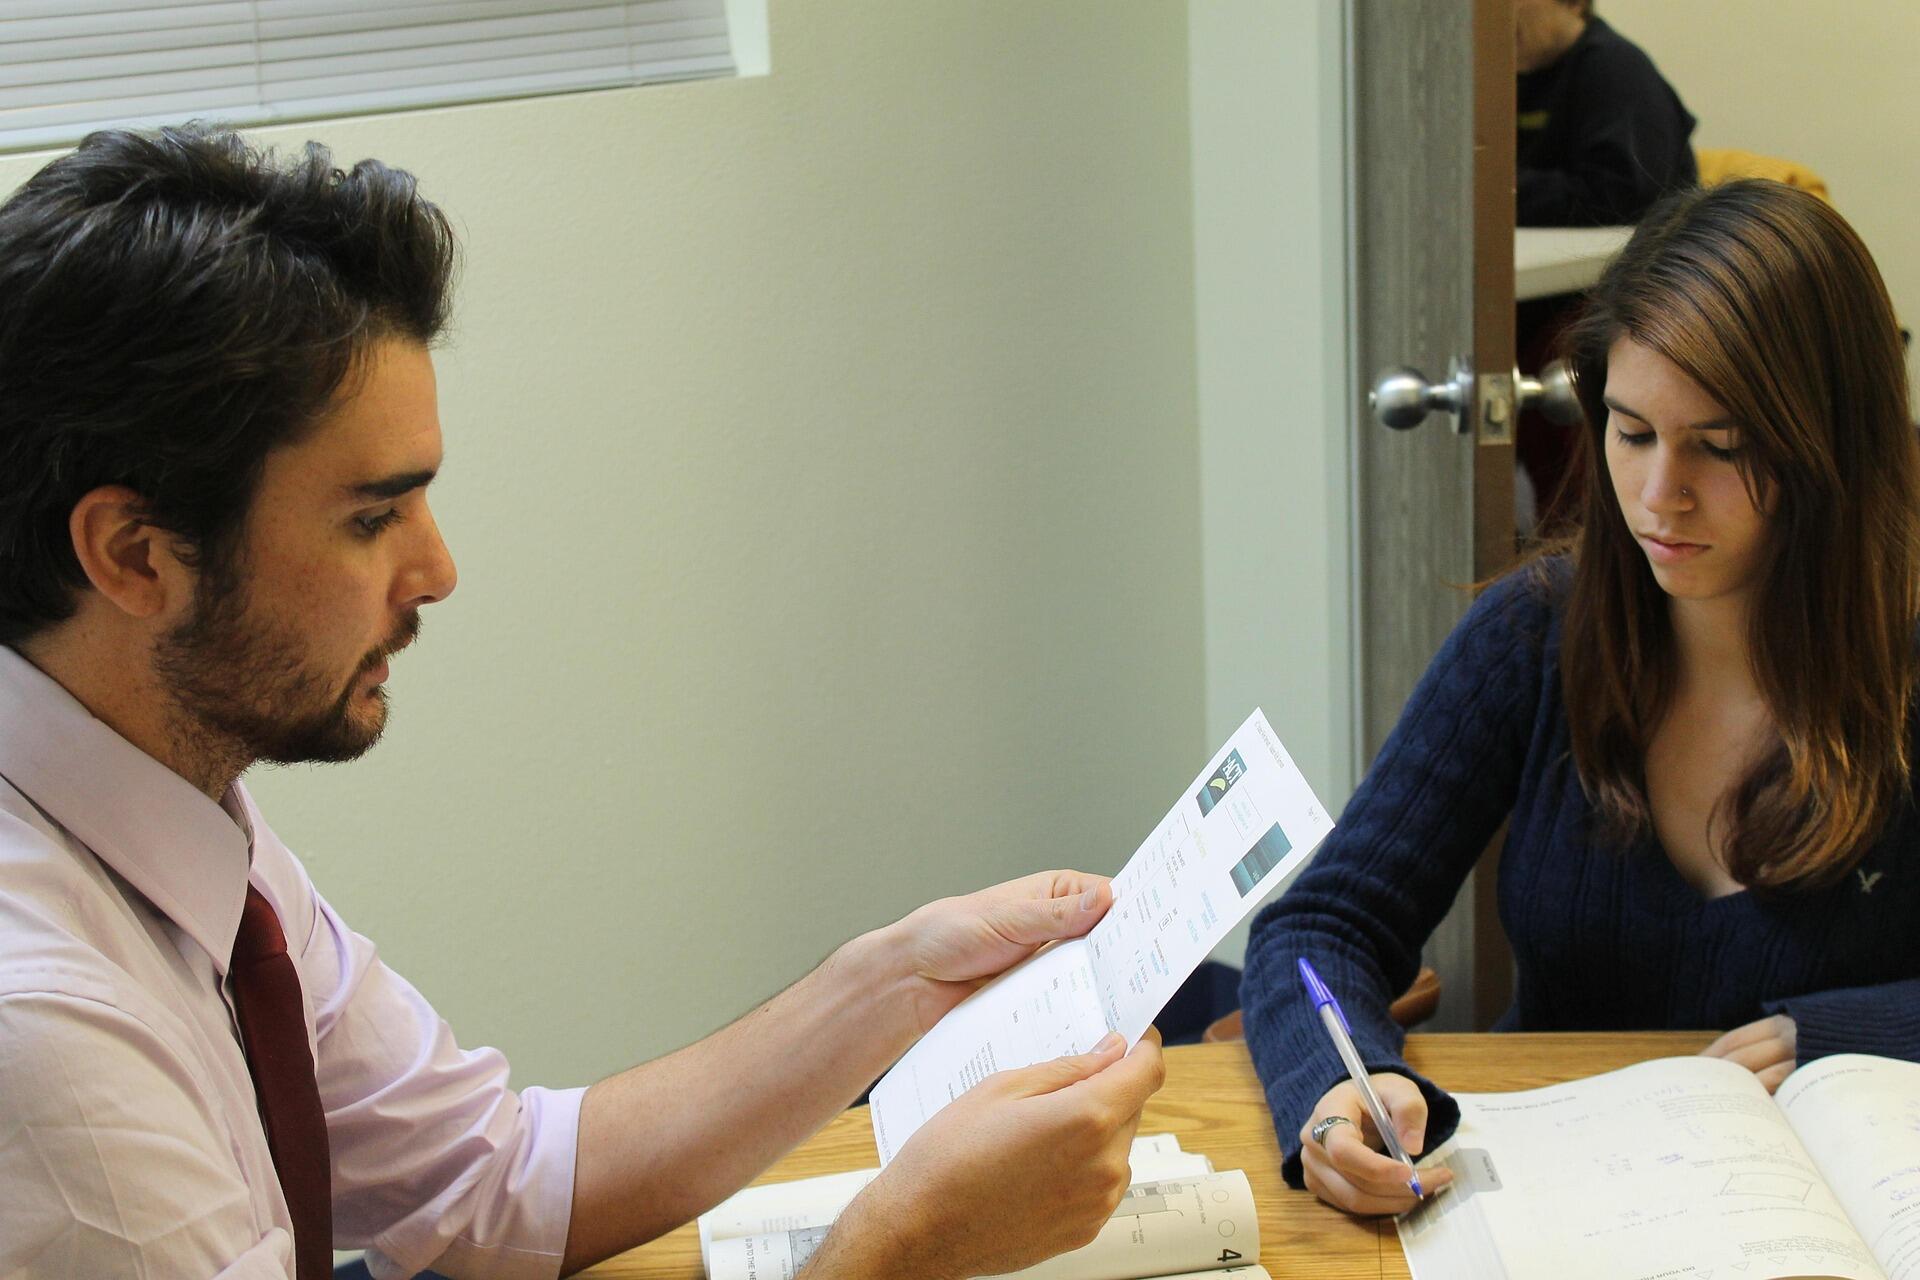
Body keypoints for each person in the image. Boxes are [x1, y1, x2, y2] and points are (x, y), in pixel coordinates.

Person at [0, 126, 1164, 1278]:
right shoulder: (44, 1036)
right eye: (371, 517)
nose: (437, 570)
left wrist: (896, 980)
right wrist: (903, 1244)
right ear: (137, 555)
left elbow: (489, 1177)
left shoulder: (164, 804)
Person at [1241, 179, 1920, 1216]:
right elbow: (1321, 930)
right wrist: (1336, 1084)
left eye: (1722, 446)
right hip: (1547, 1195)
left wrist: (1844, 1030)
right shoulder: (1537, 632)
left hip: (1833, 1202)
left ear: (1833, 443)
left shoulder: (1902, 661)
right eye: (1632, 430)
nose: (1660, 494)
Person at [1516, 0, 1698, 227]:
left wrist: (1499, 190)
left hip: (1639, 253)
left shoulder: (1615, 68)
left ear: (1575, 3)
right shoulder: (1507, 78)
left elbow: (1626, 196)